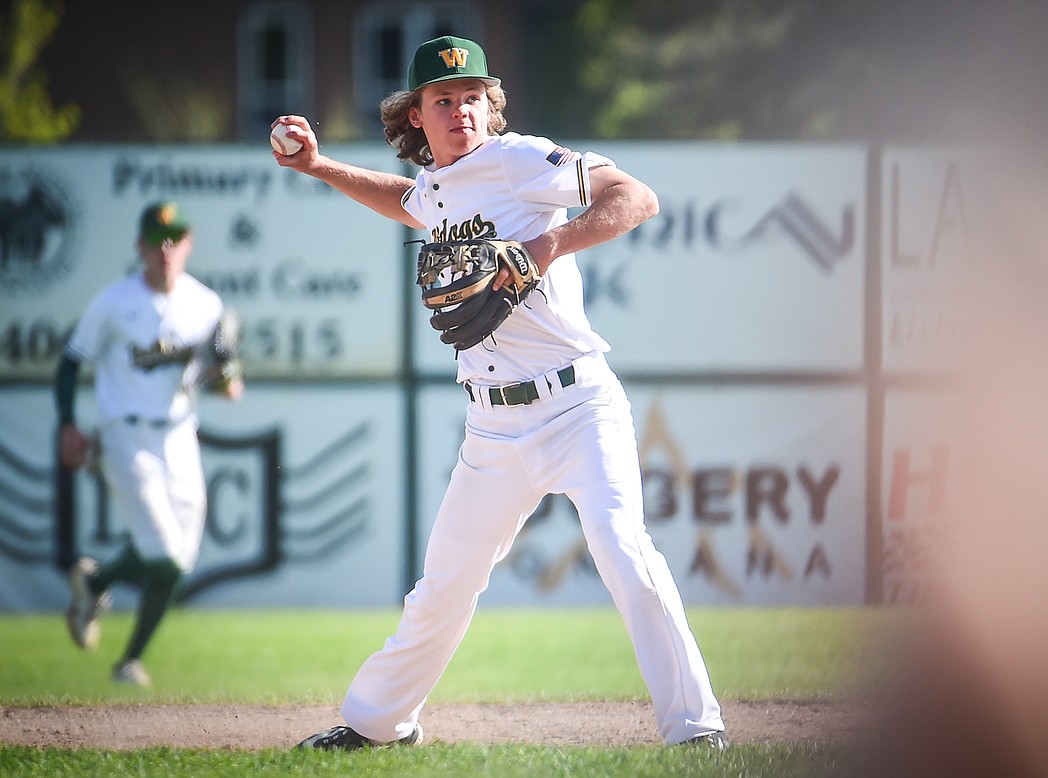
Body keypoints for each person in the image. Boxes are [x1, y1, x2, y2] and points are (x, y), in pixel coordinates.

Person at [272, 34, 727, 750]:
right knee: (442, 588)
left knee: (622, 548)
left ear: (492, 105)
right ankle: (377, 724)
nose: (462, 111)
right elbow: (410, 199)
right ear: (416, 116)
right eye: (443, 100)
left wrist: (546, 246)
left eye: (473, 97)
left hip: (578, 406)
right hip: (493, 429)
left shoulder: (517, 160)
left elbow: (635, 197)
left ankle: (696, 729)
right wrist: (319, 165)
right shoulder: (440, 185)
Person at [56, 201, 244, 687]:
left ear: (188, 243)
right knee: (161, 551)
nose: (165, 247)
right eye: (155, 238)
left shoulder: (206, 304)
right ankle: (99, 594)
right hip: (125, 433)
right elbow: (71, 360)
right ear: (139, 245)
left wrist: (227, 378)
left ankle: (119, 639)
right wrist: (67, 424)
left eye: (175, 237)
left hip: (180, 433)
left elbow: (226, 375)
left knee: (178, 563)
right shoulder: (115, 301)